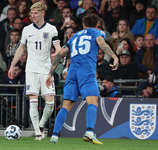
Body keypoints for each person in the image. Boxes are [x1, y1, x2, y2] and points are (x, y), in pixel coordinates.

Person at [45, 14, 119, 144]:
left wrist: (50, 73)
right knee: (93, 101)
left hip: (72, 71)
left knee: (66, 106)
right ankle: (89, 132)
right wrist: (114, 56)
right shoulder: (97, 32)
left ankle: (54, 136)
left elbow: (59, 54)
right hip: (86, 71)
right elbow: (102, 43)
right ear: (96, 24)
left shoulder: (74, 37)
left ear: (83, 25)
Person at [8, 2, 61, 140]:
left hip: (46, 71)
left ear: (42, 14)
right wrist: (12, 65)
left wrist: (59, 53)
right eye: (31, 13)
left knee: (50, 104)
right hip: (31, 70)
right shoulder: (26, 30)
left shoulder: (51, 29)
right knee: (33, 100)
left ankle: (41, 125)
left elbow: (58, 47)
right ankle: (38, 132)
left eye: (36, 13)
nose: (33, 16)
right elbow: (21, 48)